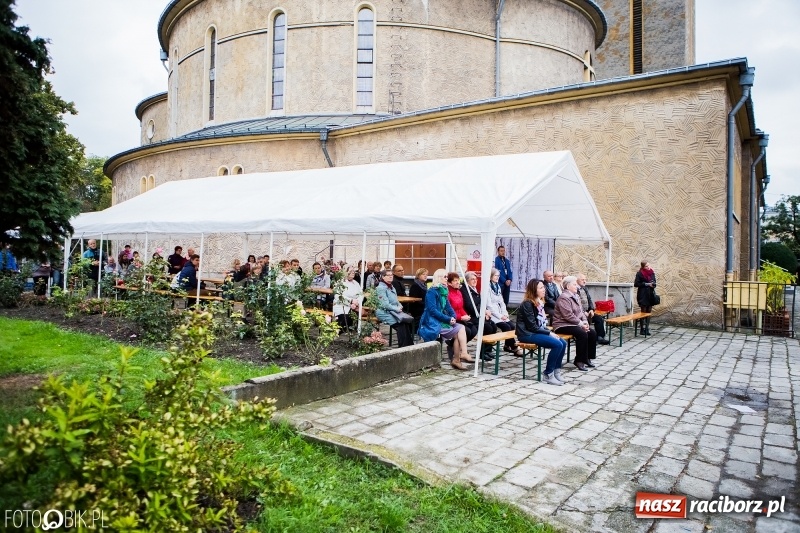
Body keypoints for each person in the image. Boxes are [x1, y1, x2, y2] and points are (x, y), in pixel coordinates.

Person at [418, 268, 474, 370]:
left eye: (447, 277)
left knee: (461, 329)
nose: (446, 278)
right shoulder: (432, 291)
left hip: (441, 319)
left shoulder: (443, 290)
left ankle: (459, 357)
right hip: (432, 321)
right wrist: (448, 319)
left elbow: (448, 307)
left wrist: (452, 317)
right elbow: (432, 310)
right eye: (445, 277)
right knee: (459, 331)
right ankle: (457, 358)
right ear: (439, 277)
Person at [516, 278, 569, 385]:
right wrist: (549, 332)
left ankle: (556, 372)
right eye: (540, 288)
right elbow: (532, 327)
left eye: (543, 287)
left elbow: (541, 324)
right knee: (557, 344)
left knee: (563, 343)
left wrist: (548, 331)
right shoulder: (528, 304)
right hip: (526, 334)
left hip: (535, 332)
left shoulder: (539, 302)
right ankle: (548, 374)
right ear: (533, 290)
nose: (544, 289)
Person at [553, 275, 596, 371]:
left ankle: (587, 358)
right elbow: (567, 316)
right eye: (574, 284)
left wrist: (585, 321)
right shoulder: (564, 298)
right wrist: (581, 324)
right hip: (562, 324)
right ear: (568, 287)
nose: (577, 286)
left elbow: (581, 312)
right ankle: (579, 360)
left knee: (592, 333)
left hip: (574, 323)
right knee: (582, 333)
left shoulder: (576, 296)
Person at [461, 271, 497, 361]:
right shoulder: (465, 290)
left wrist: (485, 312)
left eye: (475, 279)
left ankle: (488, 350)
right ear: (467, 280)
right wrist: (482, 312)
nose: (475, 281)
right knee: (487, 327)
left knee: (493, 326)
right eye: (472, 279)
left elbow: (480, 303)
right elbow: (470, 306)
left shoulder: (474, 289)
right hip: (470, 315)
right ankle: (482, 352)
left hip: (478, 314)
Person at [488, 268, 523, 355]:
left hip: (500, 312)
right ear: (491, 276)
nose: (497, 277)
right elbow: (489, 305)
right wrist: (500, 316)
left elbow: (502, 302)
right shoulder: (487, 287)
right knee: (506, 327)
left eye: (498, 276)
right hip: (492, 314)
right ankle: (514, 347)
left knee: (511, 326)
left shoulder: (497, 286)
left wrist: (505, 314)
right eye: (495, 275)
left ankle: (507, 345)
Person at [375, 269, 414, 348]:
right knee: (400, 325)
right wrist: (396, 309)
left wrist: (400, 306)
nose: (390, 277)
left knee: (406, 323)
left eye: (391, 275)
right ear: (383, 277)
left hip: (394, 311)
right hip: (383, 312)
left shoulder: (392, 287)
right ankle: (403, 347)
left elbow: (396, 301)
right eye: (388, 275)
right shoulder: (381, 288)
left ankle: (410, 346)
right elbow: (384, 304)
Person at [576, 273, 610, 345]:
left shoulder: (585, 288)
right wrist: (583, 312)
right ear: (577, 280)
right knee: (586, 320)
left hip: (588, 311)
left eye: (585, 280)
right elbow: (576, 304)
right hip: (579, 313)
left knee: (599, 319)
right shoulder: (575, 289)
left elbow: (589, 299)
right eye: (582, 280)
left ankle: (600, 337)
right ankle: (589, 339)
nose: (584, 281)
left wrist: (591, 309)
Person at [446, 272, 478, 342]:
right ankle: (453, 345)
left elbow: (461, 308)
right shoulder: (448, 293)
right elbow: (448, 311)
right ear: (449, 283)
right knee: (468, 331)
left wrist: (465, 315)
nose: (458, 282)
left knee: (474, 330)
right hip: (453, 319)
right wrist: (461, 317)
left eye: (458, 280)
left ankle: (457, 346)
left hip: (461, 318)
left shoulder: (459, 292)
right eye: (455, 281)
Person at [333, 266, 363, 331]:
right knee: (344, 323)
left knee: (352, 321)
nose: (353, 272)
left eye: (354, 271)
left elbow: (361, 295)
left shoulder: (356, 283)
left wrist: (357, 303)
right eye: (351, 271)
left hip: (355, 306)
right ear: (346, 272)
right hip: (342, 306)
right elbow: (338, 296)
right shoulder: (340, 282)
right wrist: (351, 301)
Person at [634, 260, 657, 335]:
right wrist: (647, 284)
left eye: (649, 265)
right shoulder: (640, 273)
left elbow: (654, 282)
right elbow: (636, 283)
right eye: (646, 266)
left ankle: (647, 328)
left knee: (649, 311)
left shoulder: (652, 272)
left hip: (650, 294)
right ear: (643, 267)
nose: (648, 267)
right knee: (643, 312)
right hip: (643, 294)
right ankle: (642, 329)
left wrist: (653, 284)